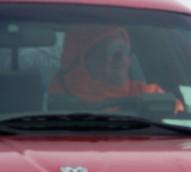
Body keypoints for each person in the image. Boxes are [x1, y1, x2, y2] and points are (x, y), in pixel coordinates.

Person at [50, 26, 182, 111]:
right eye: (113, 53)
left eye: (126, 52)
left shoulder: (147, 95)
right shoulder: (53, 101)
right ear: (82, 61)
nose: (123, 61)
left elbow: (180, 117)